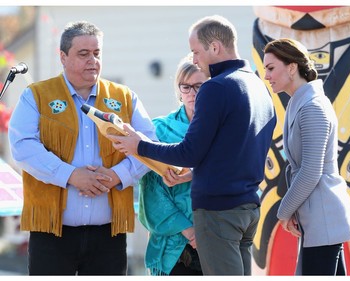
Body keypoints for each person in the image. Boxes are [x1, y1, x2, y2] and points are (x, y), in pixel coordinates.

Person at [107, 15, 277, 275]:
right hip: (249, 209)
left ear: (215, 47)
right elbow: (237, 152)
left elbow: (189, 152)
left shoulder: (216, 87)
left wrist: (139, 145)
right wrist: (193, 174)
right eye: (185, 87)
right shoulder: (258, 85)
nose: (194, 59)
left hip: (218, 211)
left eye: (196, 52)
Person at [8, 21, 157, 275]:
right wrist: (70, 175)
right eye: (84, 54)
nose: (93, 61)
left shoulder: (124, 97)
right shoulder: (37, 96)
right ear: (63, 57)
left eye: (97, 53)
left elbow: (149, 145)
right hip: (51, 235)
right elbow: (22, 146)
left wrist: (116, 176)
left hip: (108, 237)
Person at [262, 38, 350, 275]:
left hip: (323, 218)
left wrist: (283, 211)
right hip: (317, 219)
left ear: (292, 67)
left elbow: (311, 171)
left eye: (271, 68)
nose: (266, 75)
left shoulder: (313, 106)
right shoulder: (301, 102)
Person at [138, 55, 208, 276]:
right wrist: (189, 232)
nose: (192, 93)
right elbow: (152, 190)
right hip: (176, 247)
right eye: (186, 87)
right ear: (178, 89)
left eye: (199, 86)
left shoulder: (224, 129)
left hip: (217, 234)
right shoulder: (159, 130)